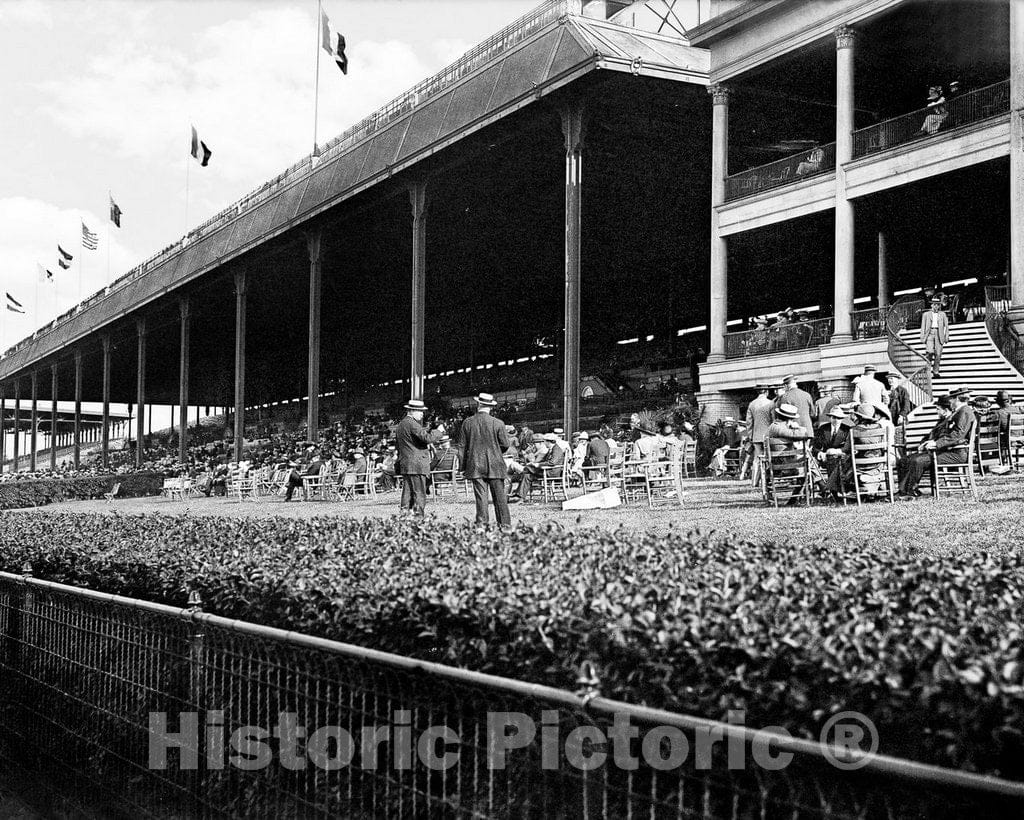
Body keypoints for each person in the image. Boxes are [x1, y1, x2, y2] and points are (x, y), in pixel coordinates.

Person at [897, 389, 975, 498]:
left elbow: (957, 434)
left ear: (956, 399)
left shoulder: (964, 411)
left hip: (957, 453)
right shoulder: (960, 411)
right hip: (950, 451)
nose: (950, 402)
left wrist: (936, 443)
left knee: (918, 460)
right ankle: (905, 491)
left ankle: (907, 492)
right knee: (907, 460)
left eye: (951, 399)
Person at [456, 392, 511, 527]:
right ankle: (505, 526)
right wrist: (497, 452)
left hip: (475, 465)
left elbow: (462, 447)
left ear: (478, 404)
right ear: (490, 407)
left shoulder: (467, 423)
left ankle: (482, 525)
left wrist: (462, 468)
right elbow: (506, 444)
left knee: (481, 498)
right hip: (496, 464)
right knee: (500, 498)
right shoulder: (498, 423)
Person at [395, 399, 445, 515]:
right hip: (416, 464)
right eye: (420, 411)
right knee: (419, 494)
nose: (422, 414)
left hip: (406, 464)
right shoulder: (412, 424)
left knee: (407, 493)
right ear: (412, 411)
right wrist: (438, 431)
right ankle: (418, 519)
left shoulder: (401, 425)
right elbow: (427, 438)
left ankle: (404, 518)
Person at [512, 433, 565, 502]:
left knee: (527, 469)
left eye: (545, 441)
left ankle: (522, 472)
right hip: (547, 471)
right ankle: (520, 497)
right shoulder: (552, 449)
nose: (544, 443)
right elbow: (545, 460)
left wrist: (538, 465)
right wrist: (535, 463)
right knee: (527, 476)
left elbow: (552, 462)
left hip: (551, 472)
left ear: (549, 442)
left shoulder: (556, 450)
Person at [813, 406, 850, 498]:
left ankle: (832, 490)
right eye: (834, 417)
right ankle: (832, 489)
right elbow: (815, 447)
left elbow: (848, 447)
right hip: (825, 457)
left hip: (841, 457)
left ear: (842, 419)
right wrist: (820, 453)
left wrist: (837, 451)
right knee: (828, 459)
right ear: (830, 418)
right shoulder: (823, 429)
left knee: (833, 459)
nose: (836, 420)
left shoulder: (847, 430)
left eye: (839, 418)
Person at [745, 384, 775, 487]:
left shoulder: (752, 404)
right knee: (769, 458)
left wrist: (750, 435)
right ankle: (768, 481)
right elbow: (773, 420)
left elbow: (749, 423)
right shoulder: (771, 404)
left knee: (757, 459)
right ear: (766, 392)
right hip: (768, 436)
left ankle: (754, 482)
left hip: (756, 436)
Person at [920, 296, 949, 377]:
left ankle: (935, 371)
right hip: (929, 333)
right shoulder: (926, 314)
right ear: (931, 305)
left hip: (939, 334)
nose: (936, 306)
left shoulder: (943, 314)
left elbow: (946, 326)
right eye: (934, 304)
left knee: (938, 354)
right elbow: (923, 326)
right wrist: (922, 336)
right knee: (929, 352)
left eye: (937, 305)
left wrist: (946, 336)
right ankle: (928, 369)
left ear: (939, 306)